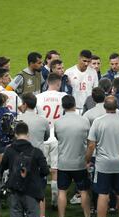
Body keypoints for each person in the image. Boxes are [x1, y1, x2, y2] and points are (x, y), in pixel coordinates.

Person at [86, 96, 119, 217]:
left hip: (103, 164)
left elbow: (91, 145)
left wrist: (87, 159)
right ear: (117, 106)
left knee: (103, 194)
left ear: (104, 107)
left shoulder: (98, 122)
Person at [2, 122, 49, 217]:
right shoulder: (36, 152)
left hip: (15, 191)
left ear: (16, 134)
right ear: (28, 134)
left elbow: (2, 167)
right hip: (32, 192)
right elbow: (45, 171)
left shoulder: (9, 150)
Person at [54, 95, 92, 217]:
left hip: (64, 162)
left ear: (63, 106)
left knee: (62, 191)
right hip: (80, 162)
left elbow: (58, 138)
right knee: (83, 191)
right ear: (75, 105)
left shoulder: (58, 122)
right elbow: (89, 140)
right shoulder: (84, 121)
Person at [18, 92, 50, 217]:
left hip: (22, 158)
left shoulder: (19, 119)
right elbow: (47, 137)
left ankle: (25, 213)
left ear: (25, 104)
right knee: (40, 189)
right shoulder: (42, 120)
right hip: (38, 158)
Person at [36, 73, 66, 209]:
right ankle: (55, 200)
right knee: (55, 170)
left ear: (47, 82)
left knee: (40, 170)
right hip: (58, 136)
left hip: (43, 136)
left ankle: (39, 200)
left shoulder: (38, 98)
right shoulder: (64, 97)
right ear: (59, 83)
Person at [65, 50, 99, 114]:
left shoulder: (93, 72)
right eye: (84, 61)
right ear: (79, 58)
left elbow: (95, 90)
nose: (86, 63)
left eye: (89, 61)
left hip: (88, 107)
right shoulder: (69, 72)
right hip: (73, 108)